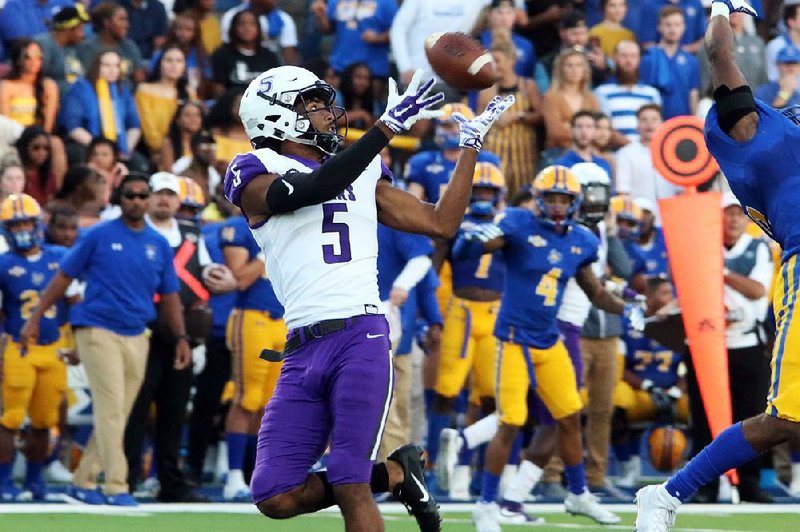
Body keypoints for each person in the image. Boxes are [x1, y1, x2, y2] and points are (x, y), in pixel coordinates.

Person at [224, 65, 514, 530]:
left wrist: (470, 148)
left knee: (348, 478)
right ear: (275, 118)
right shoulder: (254, 169)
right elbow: (313, 188)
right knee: (275, 494)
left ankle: (382, 473)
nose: (327, 113)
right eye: (312, 105)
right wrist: (386, 128)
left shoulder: (362, 171)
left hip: (361, 335)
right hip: (301, 345)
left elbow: (440, 223)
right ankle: (398, 471)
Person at [633, 1, 800, 529]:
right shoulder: (754, 139)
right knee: (783, 421)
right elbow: (717, 50)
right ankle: (665, 495)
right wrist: (724, 8)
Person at [451, 165, 642, 531]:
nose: (557, 206)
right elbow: (465, 252)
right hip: (513, 338)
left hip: (548, 339)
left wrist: (628, 308)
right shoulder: (519, 224)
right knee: (511, 422)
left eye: (564, 200)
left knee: (570, 416)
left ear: (575, 203)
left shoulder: (582, 241)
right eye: (551, 199)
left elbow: (597, 292)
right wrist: (474, 237)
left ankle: (578, 493)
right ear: (538, 200)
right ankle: (487, 505)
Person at [20, 172, 190, 506]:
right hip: (96, 328)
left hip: (138, 332)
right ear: (119, 199)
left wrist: (181, 336)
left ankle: (82, 481)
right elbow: (63, 277)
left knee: (119, 412)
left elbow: (170, 295)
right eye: (130, 195)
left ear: (149, 200)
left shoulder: (157, 244)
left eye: (143, 195)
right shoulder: (98, 235)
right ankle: (116, 485)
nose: (137, 201)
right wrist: (36, 318)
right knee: (112, 408)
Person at [124, 172, 234, 502]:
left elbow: (206, 274)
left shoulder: (190, 232)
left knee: (174, 411)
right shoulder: (135, 230)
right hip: (141, 330)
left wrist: (222, 276)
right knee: (136, 409)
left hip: (181, 333)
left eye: (170, 195)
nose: (163, 200)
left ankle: (170, 481)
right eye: (158, 194)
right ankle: (127, 479)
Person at [429, 162, 506, 500]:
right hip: (460, 312)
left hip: (495, 314)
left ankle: (477, 471)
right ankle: (432, 469)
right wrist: (427, 318)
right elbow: (432, 269)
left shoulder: (509, 226)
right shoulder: (453, 222)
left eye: (490, 192)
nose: (484, 198)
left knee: (491, 398)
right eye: (479, 191)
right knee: (446, 393)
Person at [0, 194, 68, 501]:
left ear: (39, 224)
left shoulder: (59, 257)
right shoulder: (3, 264)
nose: (23, 229)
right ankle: (4, 482)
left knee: (44, 421)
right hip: (18, 347)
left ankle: (35, 481)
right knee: (11, 418)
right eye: (15, 225)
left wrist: (74, 341)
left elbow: (75, 301)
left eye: (27, 222)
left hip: (53, 347)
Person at [478, 33, 543, 196]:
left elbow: (541, 116)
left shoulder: (528, 86)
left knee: (525, 197)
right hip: (495, 154)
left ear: (511, 61)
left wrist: (517, 116)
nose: (494, 66)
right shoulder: (486, 90)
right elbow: (477, 124)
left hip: (524, 156)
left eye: (497, 61)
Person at [594, 40, 661, 145]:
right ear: (615, 58)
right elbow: (604, 126)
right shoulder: (602, 92)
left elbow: (657, 126)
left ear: (639, 59)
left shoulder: (652, 93)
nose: (628, 61)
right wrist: (629, 146)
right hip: (615, 153)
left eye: (633, 56)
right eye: (624, 56)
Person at [639, 6, 700, 119]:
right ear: (659, 27)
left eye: (677, 25)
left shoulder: (691, 61)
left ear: (683, 27)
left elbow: (693, 94)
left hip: (681, 122)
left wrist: (692, 121)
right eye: (668, 25)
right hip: (655, 123)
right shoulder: (648, 58)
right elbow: (643, 92)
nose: (672, 29)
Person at [35, 4, 91, 104]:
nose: (83, 34)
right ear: (68, 29)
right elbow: (36, 79)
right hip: (53, 103)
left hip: (77, 102)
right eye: (80, 29)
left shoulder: (74, 47)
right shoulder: (44, 44)